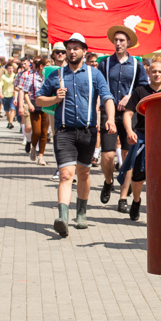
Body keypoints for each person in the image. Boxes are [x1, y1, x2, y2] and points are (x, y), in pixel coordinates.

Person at [34, 34, 115, 236]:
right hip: (64, 132)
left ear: (84, 51)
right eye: (69, 48)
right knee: (65, 174)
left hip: (88, 132)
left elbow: (107, 97)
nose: (71, 52)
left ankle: (81, 213)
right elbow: (38, 100)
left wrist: (111, 119)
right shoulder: (57, 75)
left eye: (76, 48)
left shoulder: (95, 74)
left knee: (83, 173)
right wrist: (54, 99)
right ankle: (62, 218)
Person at [98, 26, 149, 207]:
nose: (118, 43)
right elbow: (99, 86)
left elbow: (142, 87)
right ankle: (108, 181)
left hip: (129, 114)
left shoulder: (136, 64)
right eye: (116, 40)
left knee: (128, 157)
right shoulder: (105, 63)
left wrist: (130, 96)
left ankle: (123, 198)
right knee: (107, 155)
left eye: (121, 40)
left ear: (128, 43)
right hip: (109, 113)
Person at [118, 58, 161, 221]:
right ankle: (136, 201)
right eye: (154, 71)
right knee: (138, 178)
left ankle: (158, 209)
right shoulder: (140, 91)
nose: (157, 74)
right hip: (142, 139)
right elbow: (128, 113)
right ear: (148, 73)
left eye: (160, 71)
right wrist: (129, 131)